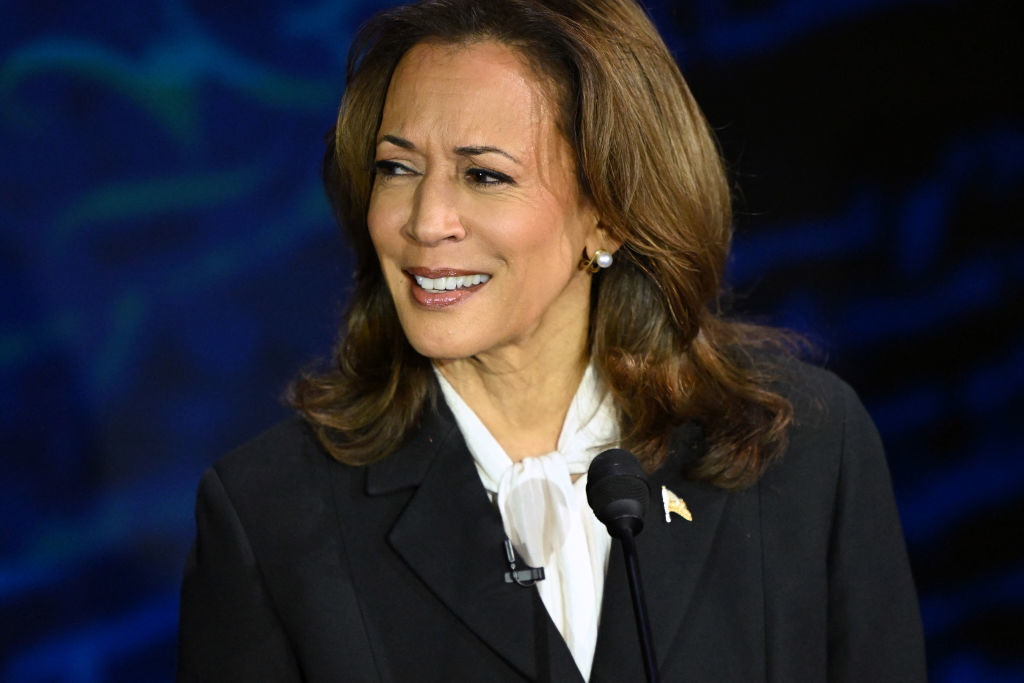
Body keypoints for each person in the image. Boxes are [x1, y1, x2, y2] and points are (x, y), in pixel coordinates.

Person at [177, 0, 926, 680]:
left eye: (485, 176)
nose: (425, 220)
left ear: (608, 213)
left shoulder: (807, 452)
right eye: (397, 168)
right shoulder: (269, 521)